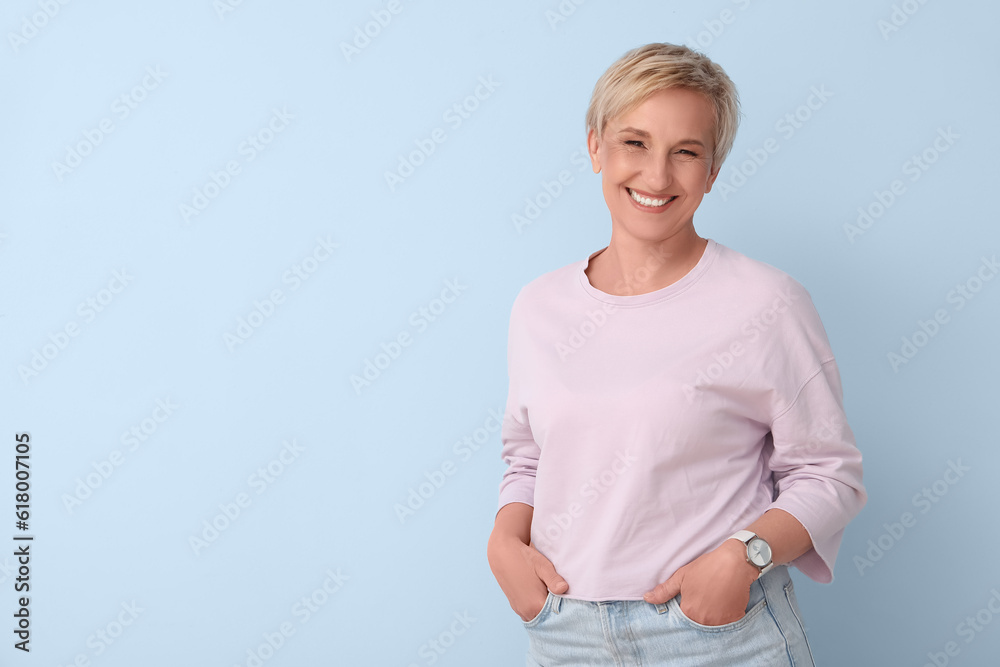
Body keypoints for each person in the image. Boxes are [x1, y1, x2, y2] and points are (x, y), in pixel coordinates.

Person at [487, 42, 867, 666]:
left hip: (718, 637)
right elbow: (528, 456)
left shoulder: (767, 303)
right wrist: (505, 541)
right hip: (565, 635)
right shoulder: (538, 306)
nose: (657, 176)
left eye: (685, 153)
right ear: (594, 148)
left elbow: (830, 475)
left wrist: (742, 558)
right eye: (634, 143)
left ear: (712, 171)